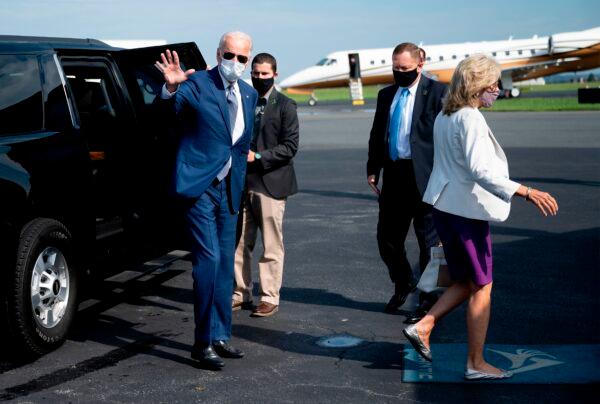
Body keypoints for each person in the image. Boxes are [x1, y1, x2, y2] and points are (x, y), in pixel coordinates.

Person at [402, 54, 558, 380]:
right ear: (479, 84)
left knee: (466, 280)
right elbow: (481, 170)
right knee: (482, 285)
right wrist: (527, 191)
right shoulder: (469, 119)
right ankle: (476, 363)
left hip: (445, 206)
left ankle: (424, 326)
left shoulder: (446, 115)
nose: (496, 89)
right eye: (493, 84)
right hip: (465, 211)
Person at [154, 31, 258, 370]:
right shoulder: (197, 83)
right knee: (209, 261)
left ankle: (220, 335)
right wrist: (171, 88)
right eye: (230, 55)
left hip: (230, 188)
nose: (236, 63)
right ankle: (201, 344)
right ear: (218, 53)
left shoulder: (248, 93)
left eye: (243, 58)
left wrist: (240, 182)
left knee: (226, 265)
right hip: (199, 186)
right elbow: (167, 114)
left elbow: (239, 146)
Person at [367, 42, 446, 315]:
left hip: (426, 176)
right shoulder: (386, 94)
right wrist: (373, 167)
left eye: (405, 69)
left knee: (429, 243)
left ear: (420, 65)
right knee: (387, 239)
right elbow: (378, 132)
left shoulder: (438, 93)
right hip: (395, 175)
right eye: (395, 68)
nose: (399, 73)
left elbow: (448, 136)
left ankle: (428, 298)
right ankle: (403, 282)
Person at [233, 53, 299, 317]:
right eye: (256, 73)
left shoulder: (285, 105)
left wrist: (258, 157)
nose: (259, 77)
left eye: (264, 73)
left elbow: (290, 147)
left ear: (275, 73)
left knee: (271, 245)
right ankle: (240, 292)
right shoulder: (244, 101)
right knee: (239, 243)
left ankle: (270, 297)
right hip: (242, 183)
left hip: (271, 183)